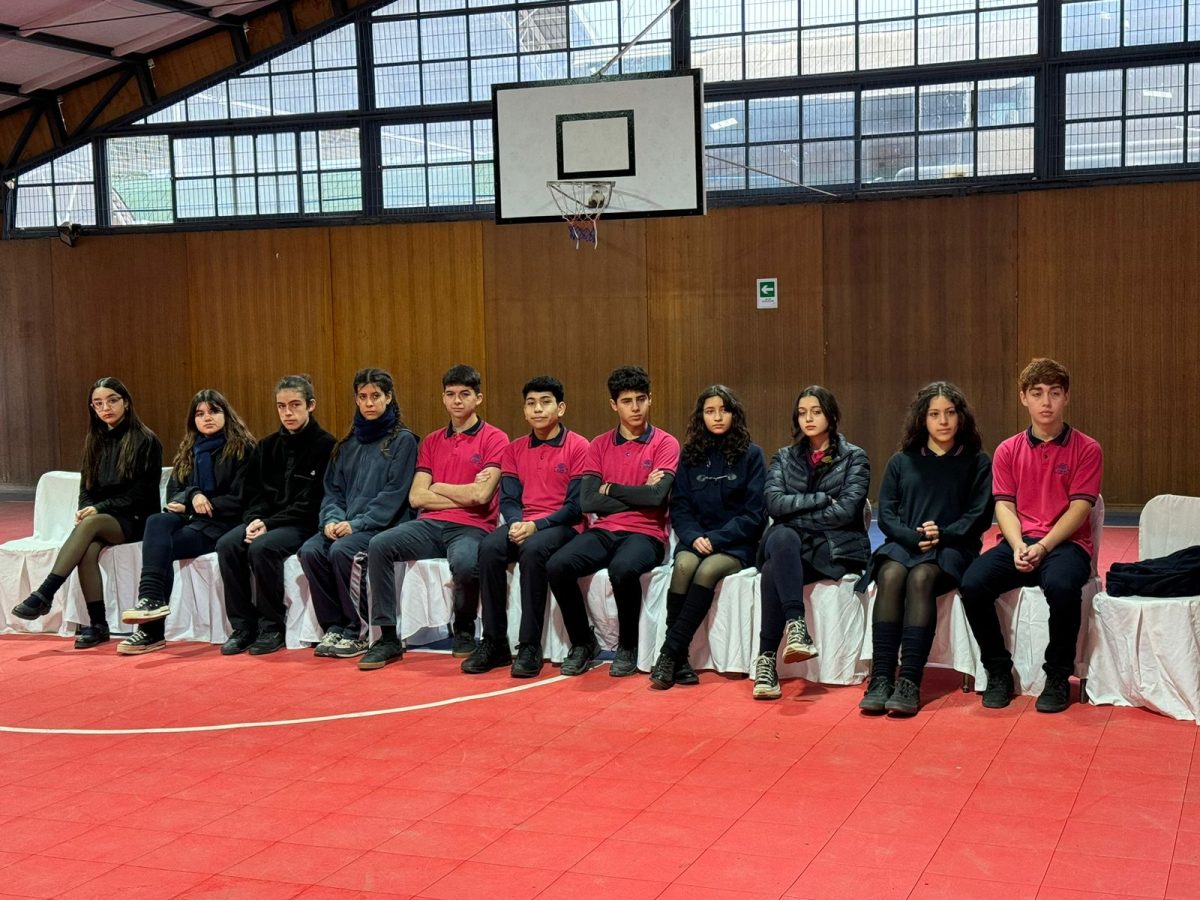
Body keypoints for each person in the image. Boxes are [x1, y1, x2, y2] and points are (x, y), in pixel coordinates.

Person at [960, 358, 1102, 713]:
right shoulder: (1008, 450)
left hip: (1065, 545)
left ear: (1066, 397)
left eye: (1054, 393)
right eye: (1037, 393)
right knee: (973, 584)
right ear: (1024, 397)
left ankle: (1057, 676)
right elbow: (1004, 506)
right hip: (1020, 542)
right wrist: (1020, 544)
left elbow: (1080, 509)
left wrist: (1043, 545)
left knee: (1063, 587)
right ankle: (997, 670)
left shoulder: (1087, 448)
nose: (1046, 402)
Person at [360, 365, 508, 671]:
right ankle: (387, 637)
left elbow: (481, 498)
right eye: (451, 394)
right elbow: (417, 496)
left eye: (464, 394)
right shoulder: (431, 441)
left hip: (472, 526)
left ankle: (464, 627)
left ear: (478, 398)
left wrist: (438, 486)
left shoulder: (495, 438)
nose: (457, 401)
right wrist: (462, 491)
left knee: (467, 564)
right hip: (428, 525)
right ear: (443, 398)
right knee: (379, 545)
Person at [859, 382, 993, 715]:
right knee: (890, 575)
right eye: (935, 414)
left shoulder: (976, 462)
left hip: (953, 549)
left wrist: (943, 534)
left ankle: (909, 682)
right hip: (905, 544)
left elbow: (980, 515)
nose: (943, 421)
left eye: (950, 413)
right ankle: (881, 678)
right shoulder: (901, 461)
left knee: (920, 578)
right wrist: (910, 537)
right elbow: (886, 514)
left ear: (960, 418)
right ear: (923, 419)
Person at [546, 365, 680, 678]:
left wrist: (613, 488)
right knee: (557, 565)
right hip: (604, 529)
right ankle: (582, 642)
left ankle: (628, 646)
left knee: (622, 569)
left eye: (641, 399)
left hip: (646, 533)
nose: (635, 407)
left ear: (650, 400)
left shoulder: (665, 443)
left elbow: (657, 498)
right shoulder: (599, 445)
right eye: (627, 401)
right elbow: (588, 500)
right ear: (613, 405)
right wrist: (640, 491)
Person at [11, 377, 163, 649]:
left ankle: (45, 592)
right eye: (98, 403)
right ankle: (98, 624)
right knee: (88, 550)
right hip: (102, 520)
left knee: (91, 524)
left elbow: (140, 495)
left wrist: (98, 509)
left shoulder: (145, 440)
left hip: (137, 518)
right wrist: (85, 508)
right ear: (92, 409)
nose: (106, 407)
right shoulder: (95, 440)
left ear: (126, 403)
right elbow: (87, 487)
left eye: (112, 400)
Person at [461, 375, 590, 678]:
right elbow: (508, 498)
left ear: (561, 408)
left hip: (563, 525)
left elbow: (575, 508)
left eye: (545, 402)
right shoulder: (514, 449)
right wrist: (518, 522)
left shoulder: (578, 446)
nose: (537, 409)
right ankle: (494, 642)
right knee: (490, 547)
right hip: (525, 522)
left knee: (532, 552)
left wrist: (536, 525)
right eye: (531, 403)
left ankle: (529, 645)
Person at [752, 385, 870, 700]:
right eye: (803, 413)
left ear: (830, 415)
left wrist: (795, 515)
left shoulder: (854, 458)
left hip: (836, 548)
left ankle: (766, 661)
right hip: (795, 549)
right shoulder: (785, 457)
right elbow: (774, 504)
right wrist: (818, 498)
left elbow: (845, 513)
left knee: (774, 559)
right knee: (782, 540)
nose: (809, 418)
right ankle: (795, 627)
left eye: (816, 411)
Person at [118, 390, 256, 654]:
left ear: (226, 415)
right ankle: (149, 601)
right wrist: (194, 494)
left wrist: (200, 501)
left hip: (225, 525)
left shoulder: (243, 449)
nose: (207, 418)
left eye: (214, 412)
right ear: (193, 420)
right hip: (194, 522)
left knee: (162, 548)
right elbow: (174, 496)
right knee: (158, 522)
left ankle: (150, 632)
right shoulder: (189, 450)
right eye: (200, 414)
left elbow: (241, 499)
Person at [649, 385, 766, 689]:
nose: (717, 417)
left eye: (723, 410)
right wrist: (694, 535)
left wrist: (715, 539)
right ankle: (680, 659)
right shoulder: (689, 454)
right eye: (710, 411)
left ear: (734, 413)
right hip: (696, 539)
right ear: (701, 417)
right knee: (685, 566)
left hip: (734, 543)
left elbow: (754, 514)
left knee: (707, 570)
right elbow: (680, 507)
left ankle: (668, 653)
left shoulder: (752, 455)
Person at [299, 368, 418, 660]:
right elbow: (333, 492)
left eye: (375, 396)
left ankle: (358, 631)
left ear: (389, 398)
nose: (369, 403)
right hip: (346, 524)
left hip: (382, 527)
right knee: (310, 550)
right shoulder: (346, 445)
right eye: (362, 397)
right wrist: (330, 520)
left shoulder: (403, 441)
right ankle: (335, 627)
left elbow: (393, 495)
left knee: (343, 552)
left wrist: (355, 524)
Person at [216, 375, 335, 657]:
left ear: (311, 405)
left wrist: (268, 525)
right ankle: (243, 626)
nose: (288, 412)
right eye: (281, 406)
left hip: (301, 524)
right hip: (265, 521)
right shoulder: (266, 446)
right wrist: (256, 519)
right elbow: (254, 494)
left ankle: (272, 626)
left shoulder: (326, 445)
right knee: (228, 544)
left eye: (295, 405)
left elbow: (313, 502)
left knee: (262, 547)